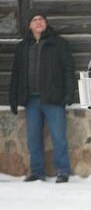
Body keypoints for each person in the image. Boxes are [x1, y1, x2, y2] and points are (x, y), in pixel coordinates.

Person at [8, 10, 75, 183]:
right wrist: (13, 99)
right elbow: (17, 74)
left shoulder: (58, 44)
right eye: (34, 19)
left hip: (54, 98)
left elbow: (68, 70)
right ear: (29, 25)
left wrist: (68, 94)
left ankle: (63, 171)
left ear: (46, 23)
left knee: (58, 137)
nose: (38, 22)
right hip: (31, 100)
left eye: (41, 19)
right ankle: (37, 172)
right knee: (33, 139)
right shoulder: (23, 46)